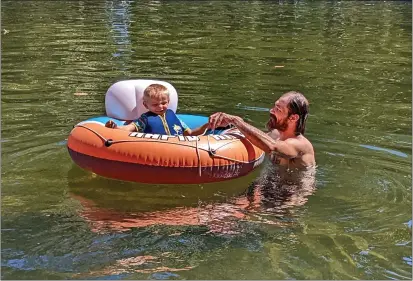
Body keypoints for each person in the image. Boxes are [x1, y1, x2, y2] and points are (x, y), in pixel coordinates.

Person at [208, 91, 315, 169]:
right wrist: (232, 125)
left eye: (278, 109)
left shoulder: (300, 145)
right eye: (274, 106)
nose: (271, 111)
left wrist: (236, 121)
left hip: (290, 194)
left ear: (293, 118)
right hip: (268, 186)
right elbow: (257, 138)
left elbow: (273, 147)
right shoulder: (275, 134)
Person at [105, 84, 208, 136]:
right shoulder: (144, 119)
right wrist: (115, 127)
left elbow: (190, 133)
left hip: (180, 149)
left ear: (169, 101)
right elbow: (129, 128)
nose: (160, 107)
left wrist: (206, 126)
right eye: (155, 104)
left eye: (164, 103)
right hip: (156, 150)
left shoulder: (173, 116)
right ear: (146, 105)